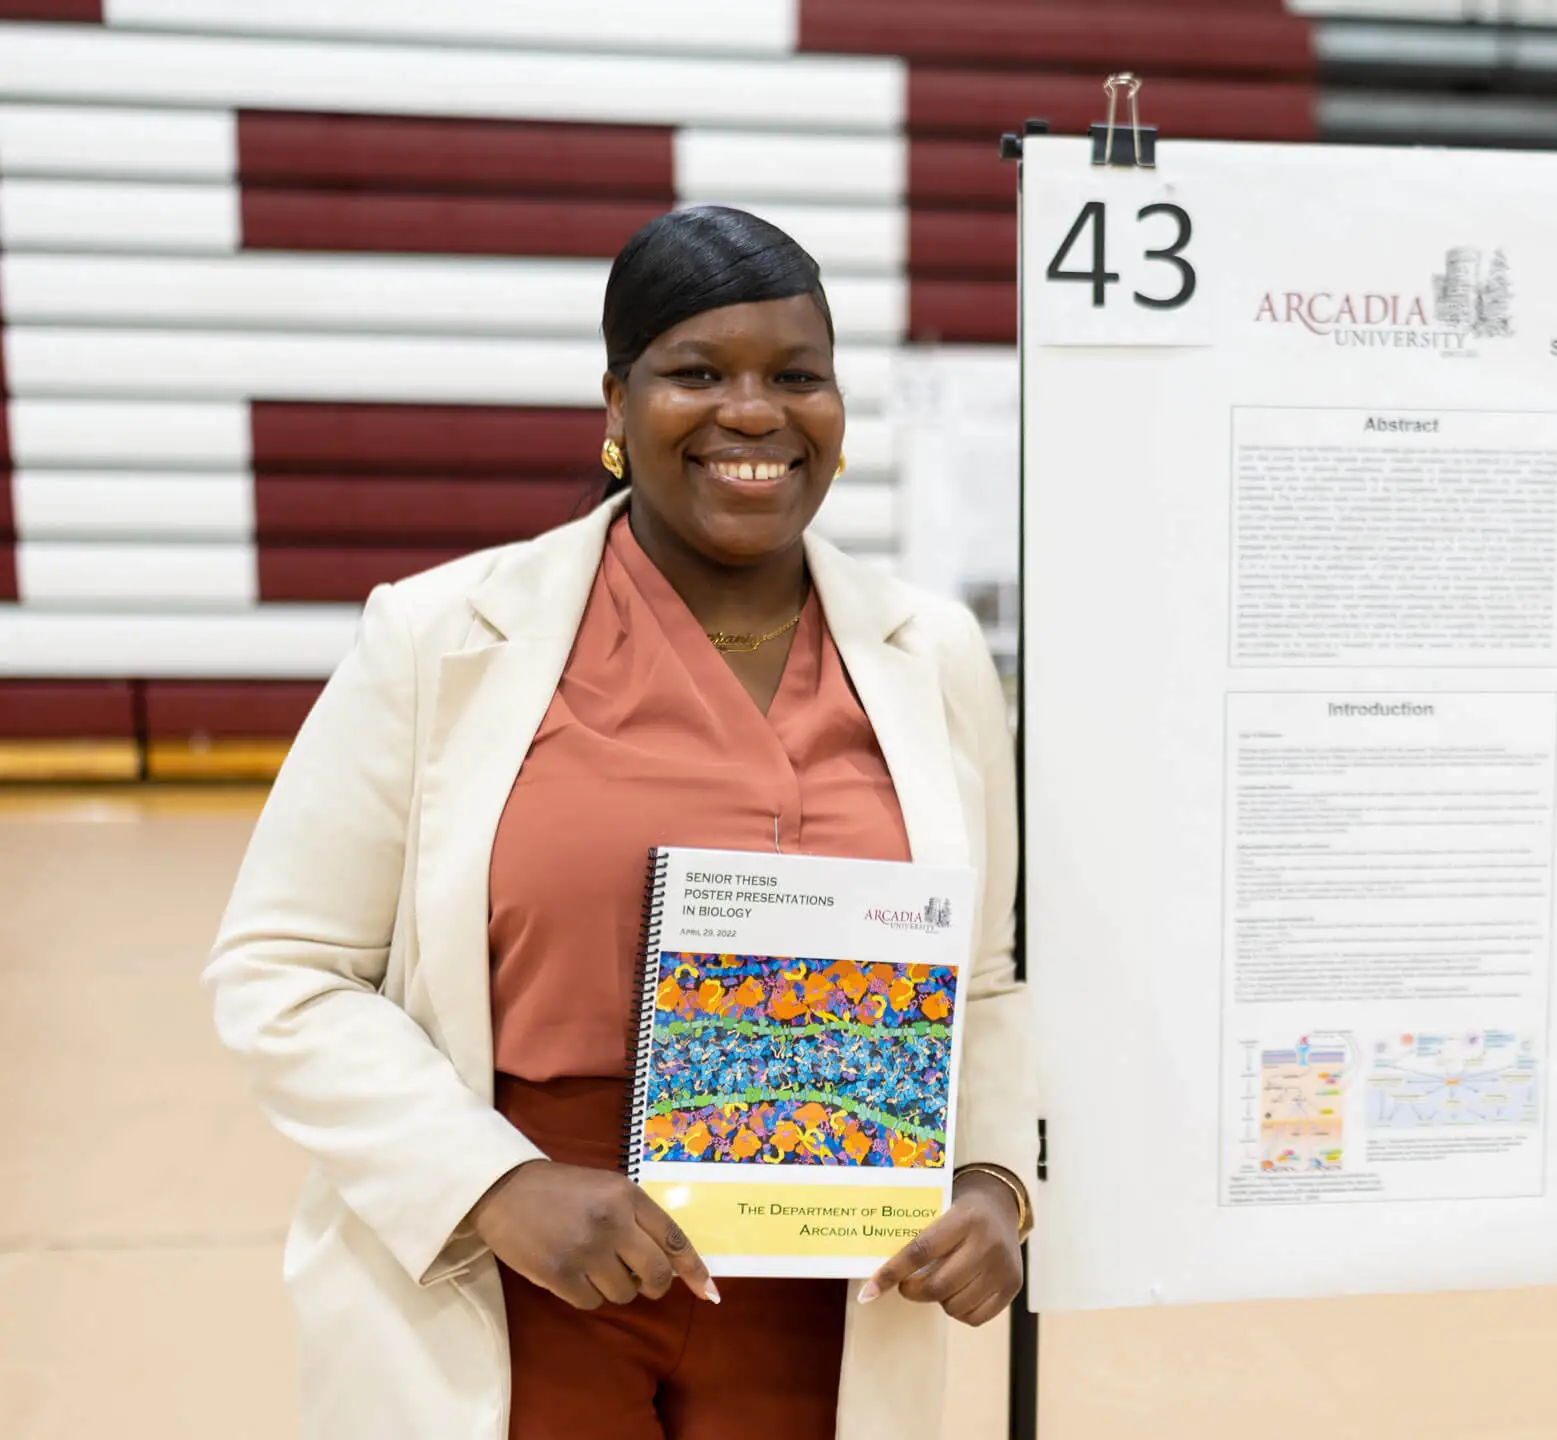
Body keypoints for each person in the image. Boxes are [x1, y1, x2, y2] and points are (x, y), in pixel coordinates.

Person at [203, 207, 1035, 1440]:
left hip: (830, 1279)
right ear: (614, 405)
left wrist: (990, 1181)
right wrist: (493, 1185)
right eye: (696, 373)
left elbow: (992, 981)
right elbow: (282, 972)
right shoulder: (440, 638)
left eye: (796, 376)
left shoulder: (932, 652)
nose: (753, 413)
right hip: (526, 1265)